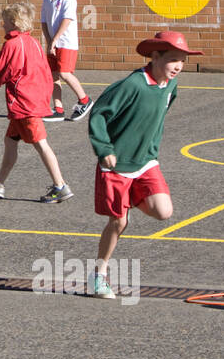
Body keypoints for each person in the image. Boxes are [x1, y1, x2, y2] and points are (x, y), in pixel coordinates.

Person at [86, 31, 201, 299]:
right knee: (118, 223)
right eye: (173, 60)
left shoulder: (171, 86)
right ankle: (99, 276)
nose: (178, 67)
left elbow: (161, 110)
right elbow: (99, 114)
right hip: (117, 164)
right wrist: (104, 149)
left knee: (163, 211)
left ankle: (130, 200)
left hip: (146, 161)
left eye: (182, 61)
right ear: (155, 56)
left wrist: (149, 143)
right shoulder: (132, 85)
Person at [0, 2, 73, 203]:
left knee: (41, 144)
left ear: (13, 22)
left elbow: (1, 72)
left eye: (5, 21)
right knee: (10, 142)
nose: (2, 25)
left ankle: (60, 185)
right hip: (29, 102)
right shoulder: (34, 43)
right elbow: (45, 73)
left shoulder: (12, 45)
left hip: (24, 104)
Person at [40, 0, 92, 122]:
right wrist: (49, 42)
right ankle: (58, 109)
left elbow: (67, 19)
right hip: (53, 44)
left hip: (66, 43)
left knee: (64, 73)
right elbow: (43, 22)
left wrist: (55, 39)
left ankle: (85, 100)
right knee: (53, 75)